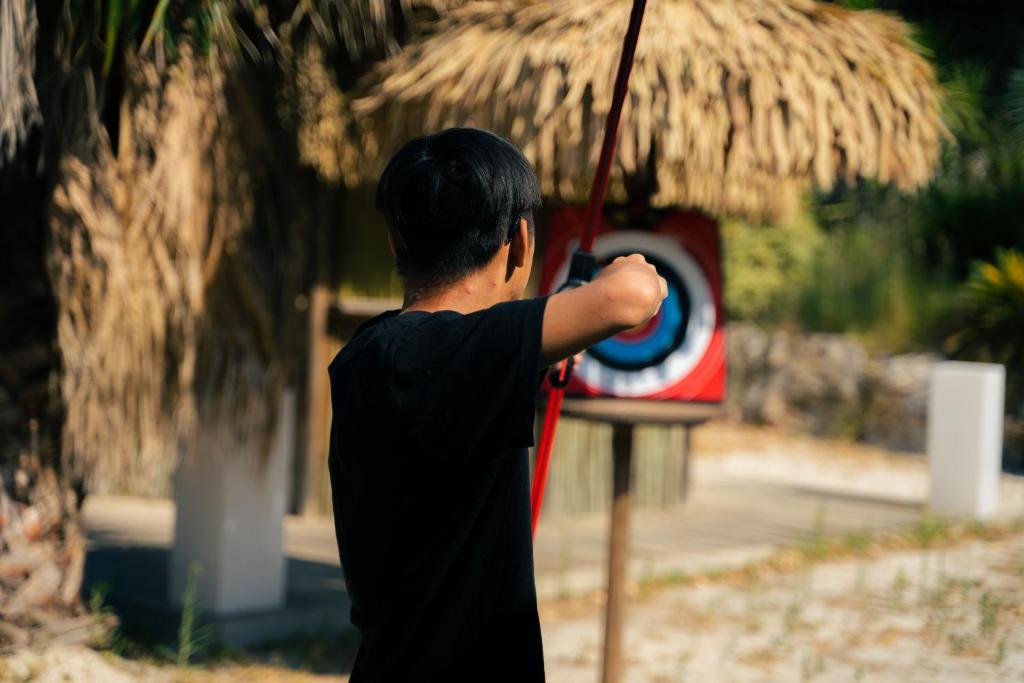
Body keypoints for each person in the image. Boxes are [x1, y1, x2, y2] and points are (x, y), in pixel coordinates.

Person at [328, 127, 667, 681]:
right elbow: (627, 298)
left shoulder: (371, 355)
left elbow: (456, 379)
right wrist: (632, 271)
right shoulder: (455, 351)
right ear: (521, 244)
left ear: (395, 242)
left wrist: (531, 355)